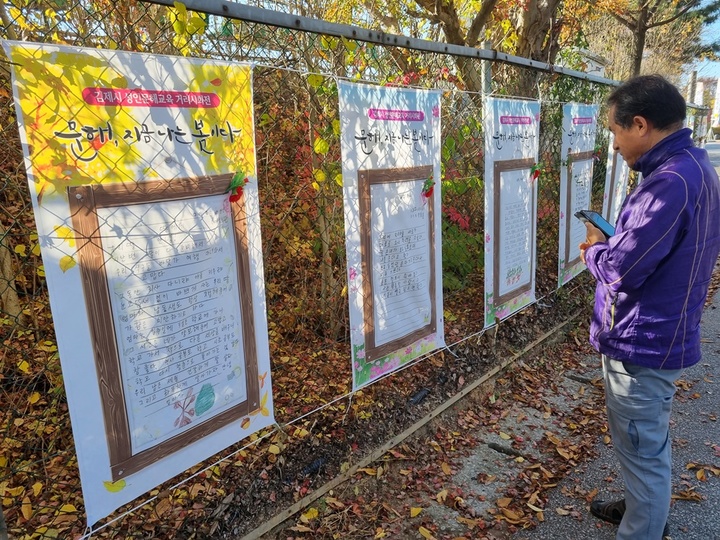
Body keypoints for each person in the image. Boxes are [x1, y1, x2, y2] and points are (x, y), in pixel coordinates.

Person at [579, 74, 720, 540]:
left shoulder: (669, 184)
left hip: (641, 342)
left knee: (643, 451)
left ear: (640, 124)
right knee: (643, 443)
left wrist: (595, 248)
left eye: (616, 132)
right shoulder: (694, 165)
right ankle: (640, 508)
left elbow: (621, 271)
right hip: (662, 330)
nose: (615, 144)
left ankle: (643, 524)